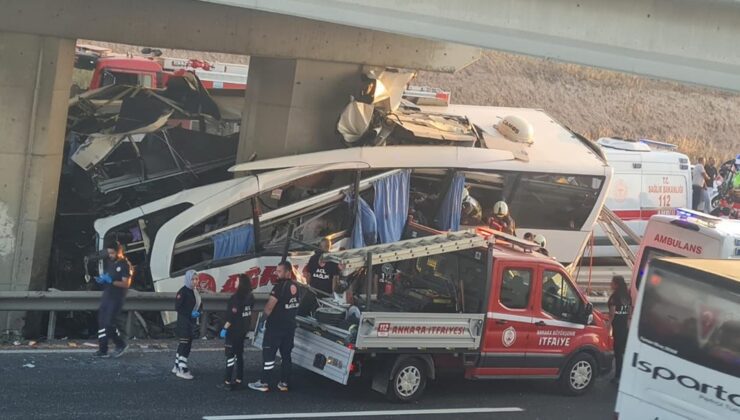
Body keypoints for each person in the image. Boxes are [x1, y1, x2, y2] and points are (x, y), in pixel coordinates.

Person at [249, 261, 300, 392]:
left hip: (276, 327)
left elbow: (270, 306)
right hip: (290, 327)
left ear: (288, 272)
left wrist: (262, 320)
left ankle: (264, 382)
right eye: (276, 271)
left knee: (269, 354)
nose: (276, 273)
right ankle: (284, 382)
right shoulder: (296, 286)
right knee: (286, 355)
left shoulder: (278, 287)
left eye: (279, 271)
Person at [94, 241, 131, 358]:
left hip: (116, 298)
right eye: (109, 253)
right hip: (107, 295)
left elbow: (126, 284)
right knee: (102, 323)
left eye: (112, 253)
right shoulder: (111, 263)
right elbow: (108, 276)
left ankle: (120, 343)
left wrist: (112, 282)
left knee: (109, 323)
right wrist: (102, 280)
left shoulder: (125, 264)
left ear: (119, 251)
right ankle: (102, 349)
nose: (110, 255)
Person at [219, 274, 255, 391]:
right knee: (239, 355)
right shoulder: (250, 297)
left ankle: (227, 381)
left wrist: (224, 328)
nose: (235, 283)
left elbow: (231, 316)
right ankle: (239, 379)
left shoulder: (235, 298)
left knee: (230, 355)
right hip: (243, 330)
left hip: (233, 331)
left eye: (237, 281)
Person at [172, 270, 202, 380]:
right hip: (184, 322)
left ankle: (176, 365)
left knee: (184, 344)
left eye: (196, 279)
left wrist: (199, 313)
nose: (195, 281)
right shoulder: (183, 292)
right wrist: (190, 313)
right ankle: (182, 369)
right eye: (192, 279)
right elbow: (178, 307)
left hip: (191, 322)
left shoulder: (195, 291)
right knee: (185, 345)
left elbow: (199, 305)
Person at [608, 275, 632, 384]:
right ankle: (625, 375)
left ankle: (618, 376)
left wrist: (608, 324)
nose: (610, 284)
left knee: (618, 353)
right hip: (625, 327)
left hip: (617, 327)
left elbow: (612, 314)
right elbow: (630, 311)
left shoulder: (614, 297)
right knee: (623, 352)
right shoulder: (627, 296)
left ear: (616, 284)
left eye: (612, 282)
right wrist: (628, 322)